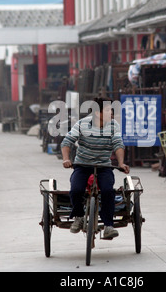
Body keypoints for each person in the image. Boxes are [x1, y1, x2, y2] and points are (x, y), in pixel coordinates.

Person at [61, 97, 130, 239]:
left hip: (104, 166)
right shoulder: (82, 124)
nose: (112, 112)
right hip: (82, 165)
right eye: (108, 110)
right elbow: (67, 141)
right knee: (76, 190)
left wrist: (121, 163)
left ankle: (108, 225)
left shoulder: (113, 125)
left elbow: (118, 145)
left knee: (107, 191)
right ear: (98, 113)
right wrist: (66, 159)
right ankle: (79, 217)